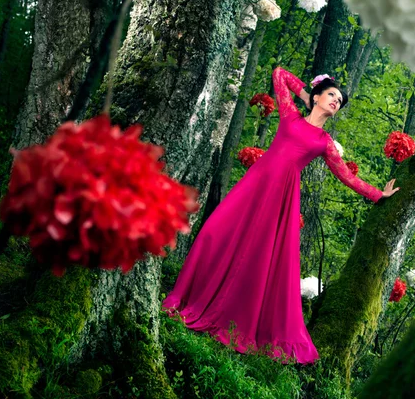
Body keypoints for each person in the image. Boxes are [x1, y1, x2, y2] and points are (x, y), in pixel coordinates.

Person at [162, 67, 400, 364]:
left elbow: (347, 177)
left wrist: (379, 194)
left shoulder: (324, 142)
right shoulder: (290, 115)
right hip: (257, 183)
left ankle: (235, 317)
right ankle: (191, 297)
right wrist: (306, 94)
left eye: (340, 100)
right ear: (317, 97)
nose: (336, 101)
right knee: (216, 231)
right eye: (332, 95)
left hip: (283, 196)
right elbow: (279, 74)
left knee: (261, 255)